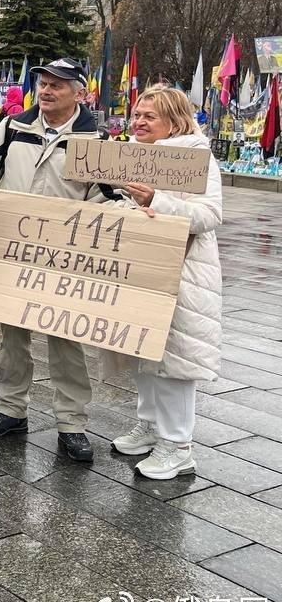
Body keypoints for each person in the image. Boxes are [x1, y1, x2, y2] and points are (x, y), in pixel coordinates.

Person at [0, 57, 123, 462]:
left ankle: (72, 423)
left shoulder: (96, 142)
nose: (48, 90)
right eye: (44, 83)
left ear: (79, 93)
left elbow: (111, 198)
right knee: (12, 335)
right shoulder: (13, 126)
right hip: (14, 253)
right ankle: (10, 409)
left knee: (66, 339)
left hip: (66, 261)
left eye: (58, 84)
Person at [110, 86, 222, 479]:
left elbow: (209, 215)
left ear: (173, 122)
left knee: (174, 361)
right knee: (143, 350)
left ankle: (178, 446)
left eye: (148, 117)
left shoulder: (197, 159)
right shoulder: (136, 154)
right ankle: (151, 425)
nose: (137, 122)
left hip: (184, 274)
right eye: (136, 114)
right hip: (143, 269)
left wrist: (156, 200)